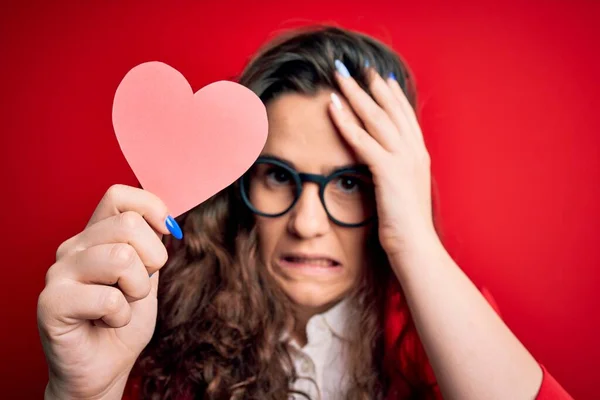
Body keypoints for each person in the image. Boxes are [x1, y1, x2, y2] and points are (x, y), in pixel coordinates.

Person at [37, 26, 573, 399]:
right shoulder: (148, 316)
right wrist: (83, 393)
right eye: (277, 176)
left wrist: (416, 242)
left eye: (349, 182)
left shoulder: (439, 324)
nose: (308, 224)